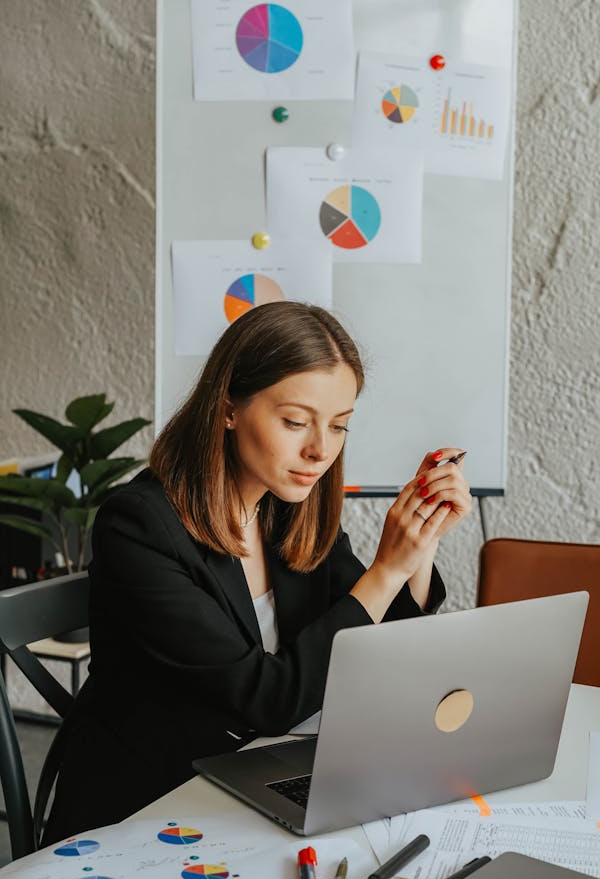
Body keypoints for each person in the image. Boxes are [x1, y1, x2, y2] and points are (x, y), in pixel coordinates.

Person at [44, 302, 471, 842]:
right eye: (295, 422)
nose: (320, 450)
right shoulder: (138, 527)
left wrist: (420, 542)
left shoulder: (287, 507)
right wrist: (387, 568)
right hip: (149, 811)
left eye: (339, 426)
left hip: (260, 780)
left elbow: (377, 644)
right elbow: (268, 699)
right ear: (227, 408)